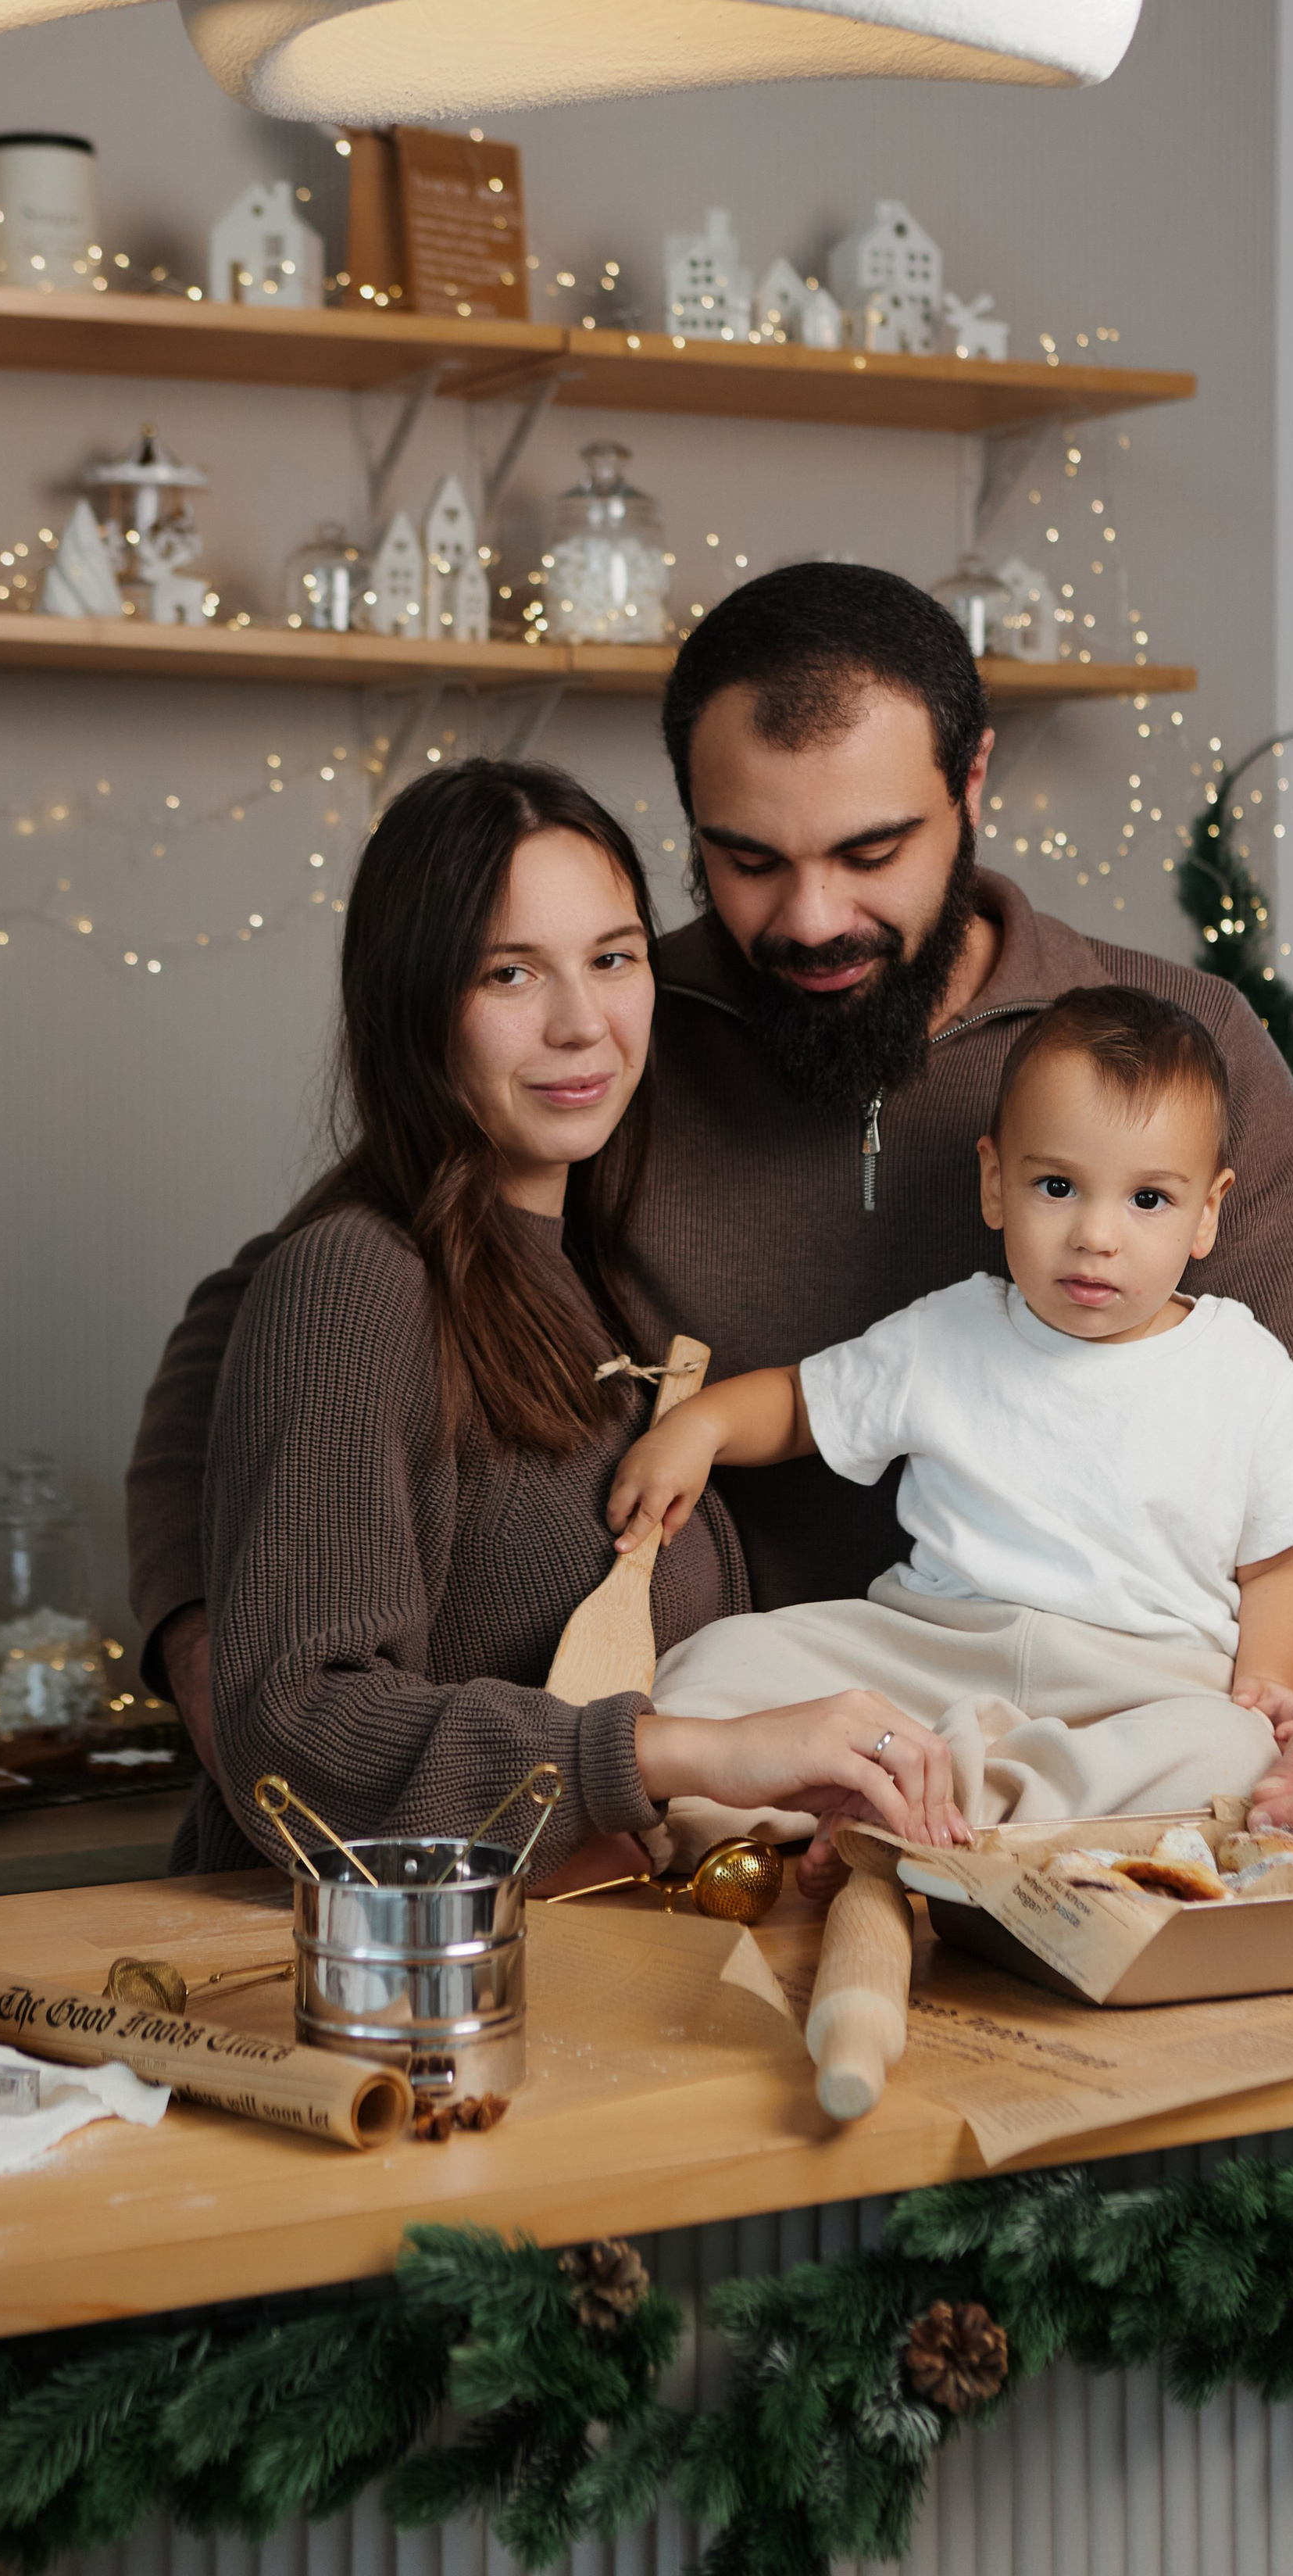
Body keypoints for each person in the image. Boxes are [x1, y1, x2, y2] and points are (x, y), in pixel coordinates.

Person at [129, 566, 1293, 1835]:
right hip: (765, 1755)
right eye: (750, 860)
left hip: (1106, 1712)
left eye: (872, 849)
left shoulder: (1177, 1045)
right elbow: (284, 1308)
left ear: (973, 782)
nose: (812, 917)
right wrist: (228, 1662)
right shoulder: (611, 1031)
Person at [180, 756, 961, 1876]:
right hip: (402, 1994)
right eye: (509, 974)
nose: (581, 1023)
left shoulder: (593, 1274)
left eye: (613, 959)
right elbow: (297, 1726)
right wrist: (684, 1752)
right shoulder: (353, 1280)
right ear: (412, 1004)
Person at [612, 984, 1293, 1868]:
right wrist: (696, 1429)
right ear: (994, 1183)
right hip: (928, 1651)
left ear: (1208, 1210)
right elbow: (801, 1403)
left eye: (1148, 1201)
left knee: (1231, 1752)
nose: (1096, 1235)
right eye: (1057, 1186)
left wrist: (1266, 1683)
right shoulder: (949, 1332)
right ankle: (840, 1799)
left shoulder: (1246, 1370)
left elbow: (1280, 1558)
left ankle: (954, 1806)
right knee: (719, 1664)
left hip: (1133, 1686)